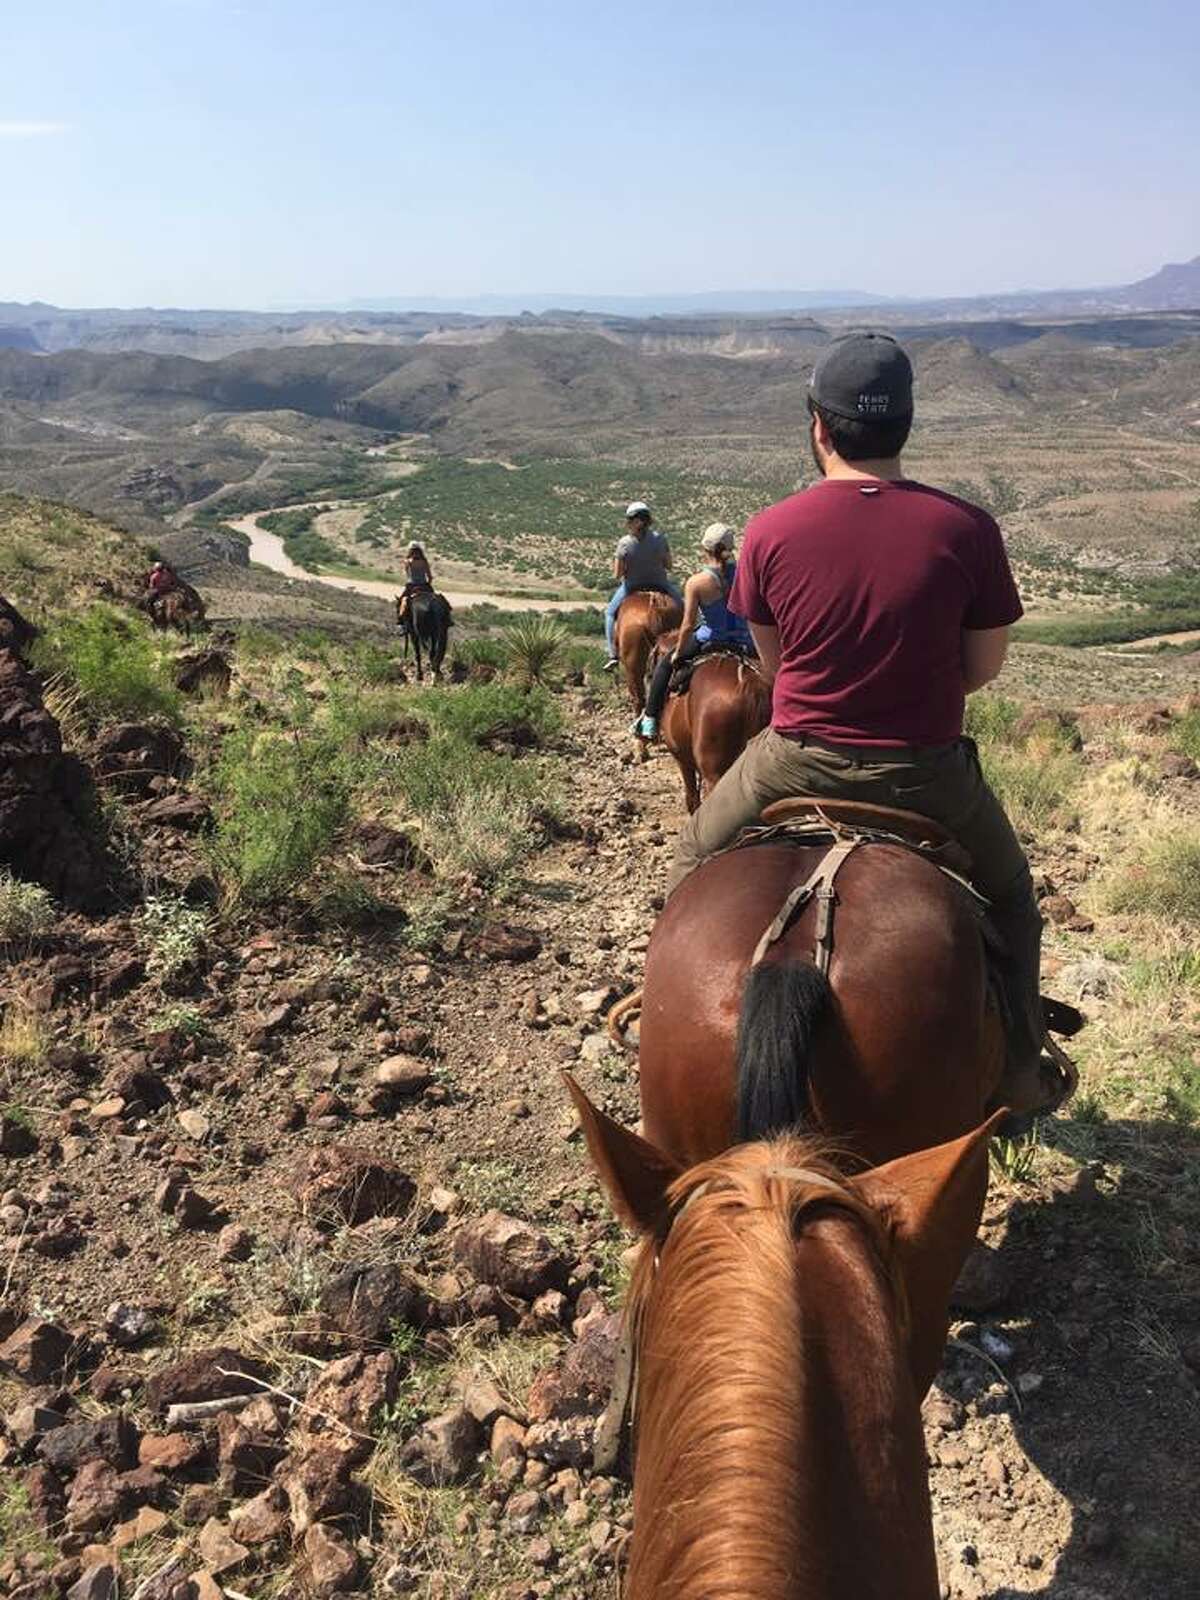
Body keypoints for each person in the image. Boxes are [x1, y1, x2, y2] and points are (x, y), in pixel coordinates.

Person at [666, 330, 1053, 1115]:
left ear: (819, 426)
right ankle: (1019, 1064)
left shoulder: (770, 530)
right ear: (906, 423)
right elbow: (982, 668)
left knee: (691, 858)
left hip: (794, 759)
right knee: (1013, 898)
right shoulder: (968, 529)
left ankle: (657, 1019)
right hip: (927, 771)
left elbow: (774, 668)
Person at [633, 522, 754, 739]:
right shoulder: (747, 576)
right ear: (730, 548)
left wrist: (679, 652)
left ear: (704, 549)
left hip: (709, 639)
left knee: (663, 666)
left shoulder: (697, 582)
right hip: (746, 642)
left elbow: (688, 624)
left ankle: (650, 720)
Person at [602, 502, 683, 670]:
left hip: (631, 586)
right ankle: (686, 647)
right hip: (661, 584)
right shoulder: (660, 539)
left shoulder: (624, 543)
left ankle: (612, 654)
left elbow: (617, 574)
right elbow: (669, 566)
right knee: (683, 607)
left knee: (609, 613)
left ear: (630, 521)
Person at [399, 541, 433, 624]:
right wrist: (428, 584)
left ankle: (400, 621)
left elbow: (408, 575)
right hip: (424, 585)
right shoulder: (424, 561)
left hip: (411, 585)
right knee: (435, 599)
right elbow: (430, 576)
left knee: (402, 600)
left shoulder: (407, 561)